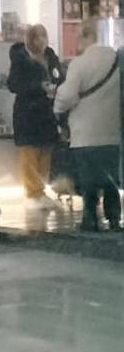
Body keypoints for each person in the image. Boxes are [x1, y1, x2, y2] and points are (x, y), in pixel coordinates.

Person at [54, 23, 122, 232]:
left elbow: (66, 97)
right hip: (112, 131)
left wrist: (57, 109)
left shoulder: (80, 64)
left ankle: (90, 218)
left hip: (86, 133)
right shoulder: (117, 61)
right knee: (110, 178)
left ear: (85, 38)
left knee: (89, 179)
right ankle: (113, 218)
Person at [7, 24, 64, 211]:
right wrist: (39, 86)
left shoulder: (51, 56)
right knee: (30, 153)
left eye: (43, 36)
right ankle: (33, 193)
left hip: (47, 113)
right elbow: (14, 84)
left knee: (45, 153)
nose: (41, 40)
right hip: (28, 113)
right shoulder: (20, 58)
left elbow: (59, 77)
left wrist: (57, 87)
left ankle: (41, 191)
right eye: (36, 37)